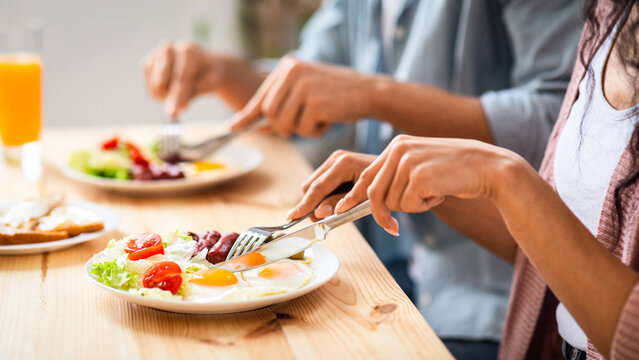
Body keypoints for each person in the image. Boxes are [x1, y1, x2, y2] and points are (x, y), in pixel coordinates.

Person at [143, 1, 583, 357]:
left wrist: (376, 95)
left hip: (483, 303)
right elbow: (309, 93)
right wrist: (225, 74)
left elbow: (557, 121)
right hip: (372, 264)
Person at [288, 0, 639, 359]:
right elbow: (561, 248)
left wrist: (502, 178)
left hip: (479, 308)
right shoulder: (608, 14)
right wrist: (428, 180)